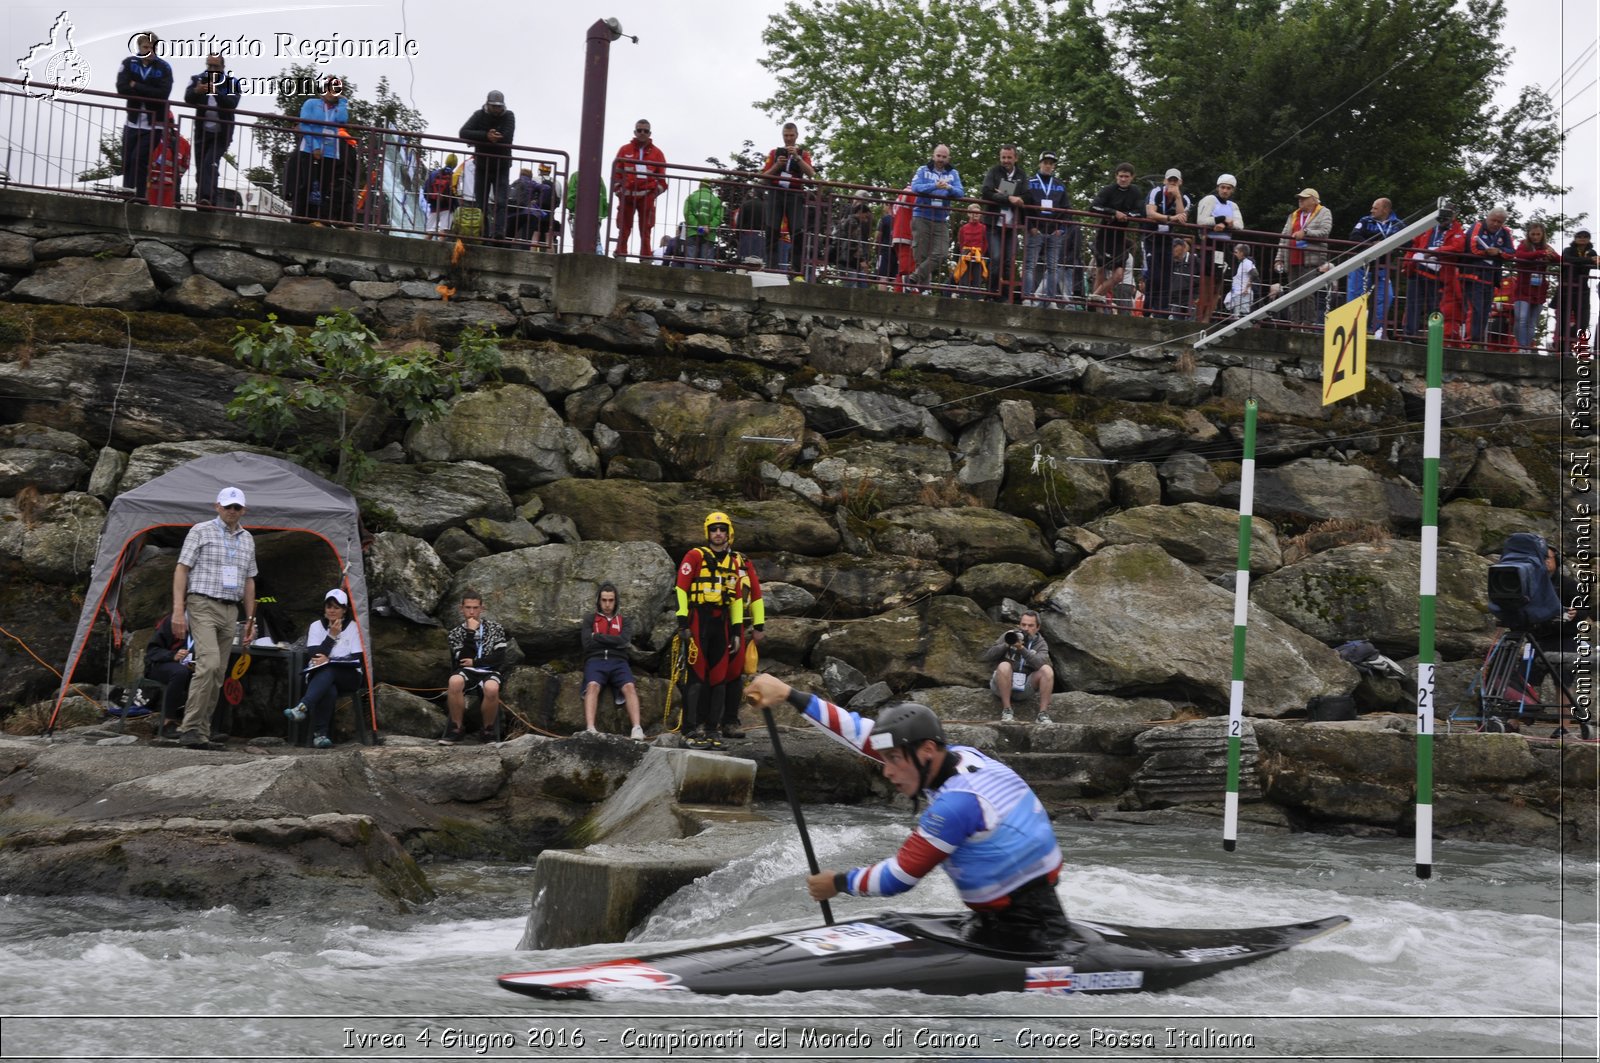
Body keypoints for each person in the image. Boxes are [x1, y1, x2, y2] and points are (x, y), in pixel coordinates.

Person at [742, 674, 1068, 954]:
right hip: (1013, 914)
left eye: (894, 759)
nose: (887, 770)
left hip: (1027, 935)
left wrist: (837, 882)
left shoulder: (957, 804)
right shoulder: (955, 757)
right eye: (888, 758)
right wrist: (788, 694)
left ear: (926, 750)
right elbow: (857, 732)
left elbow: (898, 877)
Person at [169, 486, 257, 749]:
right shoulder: (200, 530)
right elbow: (181, 569)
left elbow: (250, 580)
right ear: (217, 506)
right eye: (228, 506)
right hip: (202, 603)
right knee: (208, 664)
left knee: (218, 672)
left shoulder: (248, 539)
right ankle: (191, 727)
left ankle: (203, 730)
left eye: (237, 507)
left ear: (244, 510)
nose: (232, 511)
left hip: (231, 609)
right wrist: (177, 609)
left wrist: (250, 618)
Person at [674, 512, 746, 749]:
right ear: (708, 533)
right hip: (698, 619)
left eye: (722, 529)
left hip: (720, 622)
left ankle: (712, 729)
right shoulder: (695, 556)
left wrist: (736, 630)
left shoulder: (733, 562)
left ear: (728, 533)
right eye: (714, 529)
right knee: (696, 677)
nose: (718, 533)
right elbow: (681, 588)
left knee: (719, 678)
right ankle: (689, 730)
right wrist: (683, 621)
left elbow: (736, 598)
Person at [283, 588, 364, 748]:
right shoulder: (316, 626)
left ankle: (303, 707)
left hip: (349, 676)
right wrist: (332, 635)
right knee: (329, 687)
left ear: (344, 610)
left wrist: (331, 659)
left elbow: (357, 658)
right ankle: (320, 736)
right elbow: (314, 656)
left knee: (330, 668)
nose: (332, 610)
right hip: (321, 677)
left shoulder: (353, 627)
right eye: (329, 607)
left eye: (336, 607)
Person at [440, 592, 508, 744]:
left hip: (490, 671)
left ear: (482, 608)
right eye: (468, 608)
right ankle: (456, 728)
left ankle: (488, 730)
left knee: (491, 688)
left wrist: (476, 662)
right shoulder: (455, 633)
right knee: (455, 681)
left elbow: (498, 658)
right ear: (461, 608)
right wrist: (470, 632)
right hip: (467, 672)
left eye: (475, 608)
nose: (472, 612)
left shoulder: (495, 628)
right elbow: (463, 659)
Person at [581, 583, 646, 739]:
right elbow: (586, 644)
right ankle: (590, 728)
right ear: (599, 601)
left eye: (611, 600)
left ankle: (637, 728)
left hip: (619, 661)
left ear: (616, 601)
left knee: (629, 687)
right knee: (592, 686)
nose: (607, 604)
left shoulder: (625, 621)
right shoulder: (590, 619)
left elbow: (624, 641)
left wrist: (597, 636)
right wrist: (613, 640)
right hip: (596, 660)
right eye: (604, 600)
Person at [115, 32, 173, 204]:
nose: (149, 50)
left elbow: (163, 94)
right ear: (139, 48)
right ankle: (127, 194)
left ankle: (140, 196)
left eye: (152, 47)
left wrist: (137, 86)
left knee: (139, 158)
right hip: (133, 120)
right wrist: (147, 89)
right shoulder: (128, 63)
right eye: (146, 47)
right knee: (127, 158)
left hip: (155, 123)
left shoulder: (164, 68)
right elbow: (121, 87)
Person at [182, 54, 240, 211]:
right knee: (203, 167)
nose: (212, 70)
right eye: (209, 66)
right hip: (202, 131)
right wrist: (197, 91)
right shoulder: (197, 78)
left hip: (222, 132)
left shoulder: (232, 82)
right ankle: (204, 201)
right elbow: (187, 98)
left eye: (215, 67)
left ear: (222, 68)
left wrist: (216, 91)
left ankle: (207, 199)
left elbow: (232, 103)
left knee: (209, 163)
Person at [1401, 204, 1465, 342]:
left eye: (1450, 215)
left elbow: (1458, 247)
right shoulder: (1429, 224)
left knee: (1434, 307)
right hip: (1418, 269)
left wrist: (1436, 251)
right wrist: (1407, 263)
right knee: (1413, 304)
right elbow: (1414, 244)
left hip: (1438, 274)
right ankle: (1409, 335)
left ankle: (1434, 338)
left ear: (1454, 216)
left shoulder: (1456, 229)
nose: (1447, 218)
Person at [460, 90, 516, 241]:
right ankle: (483, 233)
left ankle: (498, 234)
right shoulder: (479, 115)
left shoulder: (509, 116)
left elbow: (507, 136)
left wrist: (490, 137)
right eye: (493, 106)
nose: (496, 109)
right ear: (488, 105)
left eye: (498, 107)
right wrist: (486, 135)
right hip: (482, 165)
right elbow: (463, 132)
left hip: (501, 165)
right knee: (481, 202)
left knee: (501, 201)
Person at [761, 123, 817, 274]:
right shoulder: (773, 153)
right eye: (786, 136)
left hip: (795, 194)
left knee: (797, 232)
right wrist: (778, 165)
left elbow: (811, 173)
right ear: (782, 136)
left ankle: (797, 271)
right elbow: (763, 177)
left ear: (797, 136)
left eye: (791, 135)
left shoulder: (803, 154)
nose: (789, 139)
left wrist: (797, 158)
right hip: (775, 193)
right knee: (772, 230)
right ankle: (771, 268)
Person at [981, 610, 1055, 723]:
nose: (1026, 628)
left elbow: (1039, 664)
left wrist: (1022, 649)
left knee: (1047, 670)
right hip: (1001, 686)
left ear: (1038, 627)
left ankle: (1042, 714)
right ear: (1019, 624)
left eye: (1030, 625)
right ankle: (1007, 711)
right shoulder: (1009, 635)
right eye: (1023, 624)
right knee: (1004, 665)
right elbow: (988, 656)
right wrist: (1006, 644)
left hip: (1023, 688)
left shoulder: (1041, 644)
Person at [1273, 188, 1333, 326]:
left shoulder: (1324, 212)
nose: (1300, 200)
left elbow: (1325, 231)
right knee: (1293, 292)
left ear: (1314, 200)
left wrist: (1305, 232)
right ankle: (1294, 323)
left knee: (1307, 292)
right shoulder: (1293, 215)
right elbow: (1284, 238)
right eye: (1299, 198)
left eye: (1304, 198)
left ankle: (1308, 324)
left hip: (1311, 259)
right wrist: (1279, 258)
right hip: (1292, 257)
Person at [1344, 198, 1403, 337]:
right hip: (1362, 265)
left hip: (1383, 266)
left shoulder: (1398, 224)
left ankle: (1377, 329)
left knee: (1387, 296)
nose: (1371, 210)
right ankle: (1352, 327)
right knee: (1355, 296)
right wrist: (1370, 244)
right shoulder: (1365, 220)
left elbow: (1409, 241)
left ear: (1385, 210)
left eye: (1375, 208)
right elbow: (1353, 237)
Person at [292, 78, 348, 223]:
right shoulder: (311, 103)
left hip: (330, 152)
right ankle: (298, 218)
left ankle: (314, 219)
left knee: (323, 186)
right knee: (308, 183)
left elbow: (342, 120)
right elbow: (304, 124)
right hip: (310, 149)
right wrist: (315, 146)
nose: (332, 92)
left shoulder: (338, 107)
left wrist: (343, 102)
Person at [1088, 162, 1143, 310]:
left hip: (1120, 238)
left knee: (1118, 275)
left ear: (1132, 177)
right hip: (1104, 234)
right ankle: (1095, 306)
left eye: (1126, 176)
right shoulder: (1108, 190)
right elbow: (1093, 206)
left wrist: (1127, 215)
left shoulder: (1135, 192)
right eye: (1121, 176)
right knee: (1101, 269)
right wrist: (1113, 213)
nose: (1123, 179)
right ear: (1116, 176)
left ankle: (1095, 296)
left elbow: (1141, 211)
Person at [907, 145, 964, 289]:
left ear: (948, 158)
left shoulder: (953, 173)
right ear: (933, 156)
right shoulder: (922, 170)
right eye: (938, 156)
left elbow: (960, 192)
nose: (941, 159)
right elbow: (915, 187)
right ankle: (922, 290)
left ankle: (914, 278)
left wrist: (949, 188)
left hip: (941, 218)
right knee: (921, 255)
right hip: (922, 215)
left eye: (944, 157)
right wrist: (935, 186)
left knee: (942, 253)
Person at [977, 145, 1027, 302]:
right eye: (1003, 157)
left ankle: (1005, 296)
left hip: (1012, 226)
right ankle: (991, 293)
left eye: (1009, 157)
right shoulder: (993, 172)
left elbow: (1027, 196)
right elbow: (986, 191)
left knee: (1008, 261)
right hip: (993, 224)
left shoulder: (1021, 175)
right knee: (996, 258)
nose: (1006, 160)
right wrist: (1010, 198)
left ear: (1015, 158)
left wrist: (1001, 194)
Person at [611, 119, 666, 259]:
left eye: (645, 131)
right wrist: (619, 190)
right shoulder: (624, 150)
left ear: (650, 133)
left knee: (646, 229)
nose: (642, 133)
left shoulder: (657, 153)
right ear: (635, 132)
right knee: (623, 227)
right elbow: (616, 173)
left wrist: (653, 193)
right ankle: (621, 253)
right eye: (639, 130)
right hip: (627, 195)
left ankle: (645, 257)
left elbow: (662, 179)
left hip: (646, 196)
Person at [1460, 207, 1516, 344]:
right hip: (1474, 275)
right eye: (1493, 220)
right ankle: (1469, 341)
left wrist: (1498, 252)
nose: (1496, 224)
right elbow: (1472, 248)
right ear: (1487, 218)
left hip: (1491, 278)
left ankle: (1477, 340)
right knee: (1475, 309)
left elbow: (1511, 252)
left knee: (1485, 311)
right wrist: (1487, 252)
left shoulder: (1505, 232)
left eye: (1499, 222)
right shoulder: (1477, 226)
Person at [1194, 174, 1244, 323]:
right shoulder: (1210, 200)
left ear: (1232, 190)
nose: (1225, 191)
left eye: (1228, 188)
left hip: (1224, 247)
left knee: (1218, 283)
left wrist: (1226, 224)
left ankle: (1208, 317)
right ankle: (1200, 318)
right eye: (1222, 187)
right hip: (1209, 244)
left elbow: (1240, 225)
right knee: (1207, 283)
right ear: (1218, 188)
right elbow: (1202, 220)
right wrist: (1221, 219)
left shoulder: (1233, 205)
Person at [1142, 168, 1191, 318]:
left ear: (1180, 182)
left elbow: (1182, 217)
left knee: (1166, 275)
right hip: (1151, 237)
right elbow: (1150, 213)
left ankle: (1161, 311)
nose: (1172, 183)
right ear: (1165, 181)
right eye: (1170, 180)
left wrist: (1177, 197)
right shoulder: (1155, 192)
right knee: (1154, 274)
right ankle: (1148, 308)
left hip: (1167, 239)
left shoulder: (1185, 199)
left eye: (1175, 181)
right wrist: (1170, 219)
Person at [1023, 150, 1069, 306]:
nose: (1048, 166)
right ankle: (1027, 298)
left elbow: (1066, 209)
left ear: (1054, 166)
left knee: (1053, 267)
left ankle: (1050, 300)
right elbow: (1024, 206)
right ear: (1040, 163)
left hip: (1054, 231)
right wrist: (1030, 226)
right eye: (1045, 162)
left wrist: (1062, 229)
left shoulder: (1059, 185)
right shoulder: (1029, 182)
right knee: (1030, 265)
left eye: (1051, 163)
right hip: (1035, 230)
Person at [1511, 222, 1561, 354]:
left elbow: (1559, 259)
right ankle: (1522, 347)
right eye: (1532, 234)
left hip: (1538, 291)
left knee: (1532, 323)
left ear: (1543, 234)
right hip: (1522, 289)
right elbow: (1520, 256)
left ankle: (1526, 347)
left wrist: (1551, 256)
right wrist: (1540, 253)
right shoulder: (1523, 245)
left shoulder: (1547, 247)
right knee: (1521, 319)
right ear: (1528, 234)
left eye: (1538, 234)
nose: (1535, 237)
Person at [144, 610, 195, 738]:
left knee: (210, 673)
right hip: (160, 665)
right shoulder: (173, 621)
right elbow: (152, 651)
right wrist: (172, 655)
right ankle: (167, 721)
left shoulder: (207, 624)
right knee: (180, 673)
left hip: (190, 666)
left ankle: (204, 724)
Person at [1551, 230, 1596, 352]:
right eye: (1579, 236)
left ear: (1589, 239)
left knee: (1583, 323)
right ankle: (1563, 349)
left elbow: (1596, 264)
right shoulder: (1568, 250)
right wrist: (1588, 260)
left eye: (1585, 236)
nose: (1582, 238)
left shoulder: (1591, 252)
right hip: (1566, 290)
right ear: (1575, 238)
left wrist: (1589, 260)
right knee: (1563, 322)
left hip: (1582, 291)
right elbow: (1567, 259)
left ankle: (1575, 347)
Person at [683, 177, 726, 269]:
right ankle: (706, 282)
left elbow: (687, 213)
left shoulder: (691, 197)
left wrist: (698, 227)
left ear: (700, 185)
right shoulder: (717, 201)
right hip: (709, 234)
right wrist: (709, 227)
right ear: (710, 187)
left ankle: (688, 280)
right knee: (707, 261)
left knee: (690, 259)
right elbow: (719, 217)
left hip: (693, 232)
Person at [951, 203, 990, 299]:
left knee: (977, 277)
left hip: (978, 254)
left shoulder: (984, 228)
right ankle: (961, 295)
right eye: (974, 213)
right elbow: (961, 242)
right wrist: (964, 253)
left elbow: (985, 243)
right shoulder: (963, 228)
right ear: (969, 214)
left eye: (978, 213)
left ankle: (976, 297)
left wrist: (980, 253)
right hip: (966, 253)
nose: (976, 215)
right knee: (964, 275)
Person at [422, 153, 459, 239]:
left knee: (430, 231)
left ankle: (423, 249)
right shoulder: (454, 176)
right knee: (443, 230)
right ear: (455, 164)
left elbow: (426, 189)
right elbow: (454, 193)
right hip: (447, 206)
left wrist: (430, 200)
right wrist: (456, 206)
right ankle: (439, 249)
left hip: (434, 205)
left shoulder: (434, 174)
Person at [1224, 241, 1258, 317]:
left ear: (1241, 253)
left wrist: (1247, 287)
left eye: (1236, 252)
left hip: (1243, 293)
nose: (1234, 254)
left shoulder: (1247, 263)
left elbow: (1255, 274)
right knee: (1235, 313)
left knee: (1243, 315)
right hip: (1238, 293)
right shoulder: (1242, 263)